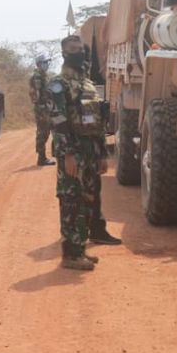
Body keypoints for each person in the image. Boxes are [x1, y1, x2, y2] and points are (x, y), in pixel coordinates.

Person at [46, 34, 121, 270]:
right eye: (74, 49)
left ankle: (80, 248)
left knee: (89, 199)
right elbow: (58, 120)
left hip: (90, 150)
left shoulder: (88, 84)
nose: (80, 53)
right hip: (73, 150)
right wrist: (67, 153)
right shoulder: (58, 84)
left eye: (81, 48)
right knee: (71, 200)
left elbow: (97, 122)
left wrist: (102, 154)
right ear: (65, 53)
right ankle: (70, 253)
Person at [30, 56, 54, 166]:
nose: (46, 64)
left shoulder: (44, 76)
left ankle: (42, 157)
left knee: (45, 131)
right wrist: (42, 108)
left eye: (46, 62)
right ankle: (41, 158)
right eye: (44, 62)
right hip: (42, 108)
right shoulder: (37, 77)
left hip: (46, 107)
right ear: (39, 64)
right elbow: (36, 94)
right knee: (42, 132)